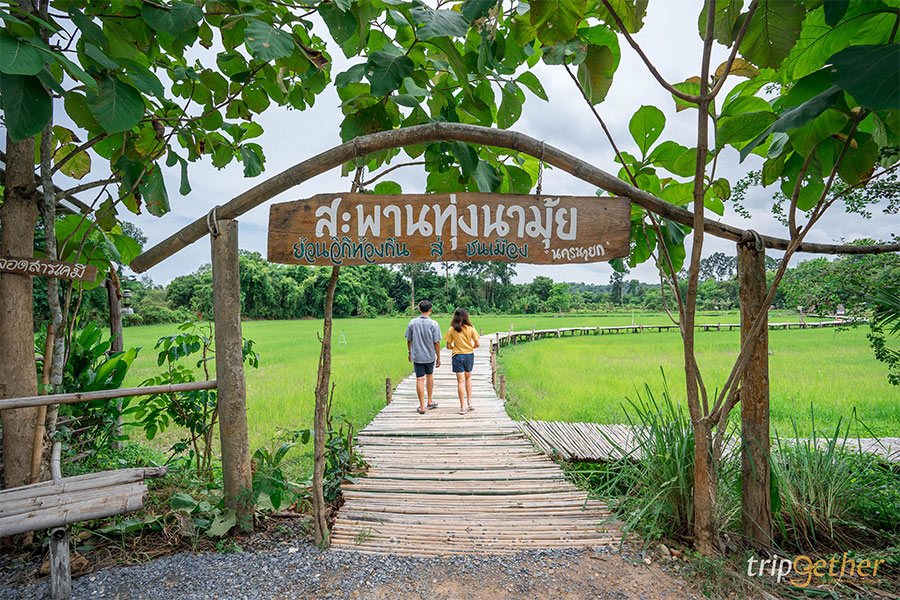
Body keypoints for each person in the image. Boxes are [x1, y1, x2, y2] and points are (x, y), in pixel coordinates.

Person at [404, 300, 441, 415]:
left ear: (419, 309)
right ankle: (430, 400)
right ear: (430, 310)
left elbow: (409, 339)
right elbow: (436, 342)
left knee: (420, 379)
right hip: (430, 356)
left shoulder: (412, 323)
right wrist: (438, 357)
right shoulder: (434, 324)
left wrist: (410, 352)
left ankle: (422, 406)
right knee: (429, 376)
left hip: (418, 356)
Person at [444, 308, 480, 414]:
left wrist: (455, 347)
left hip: (457, 356)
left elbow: (448, 345)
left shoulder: (451, 329)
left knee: (460, 381)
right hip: (469, 355)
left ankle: (462, 407)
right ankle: (469, 402)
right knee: (468, 378)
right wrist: (470, 346)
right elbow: (477, 344)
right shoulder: (471, 328)